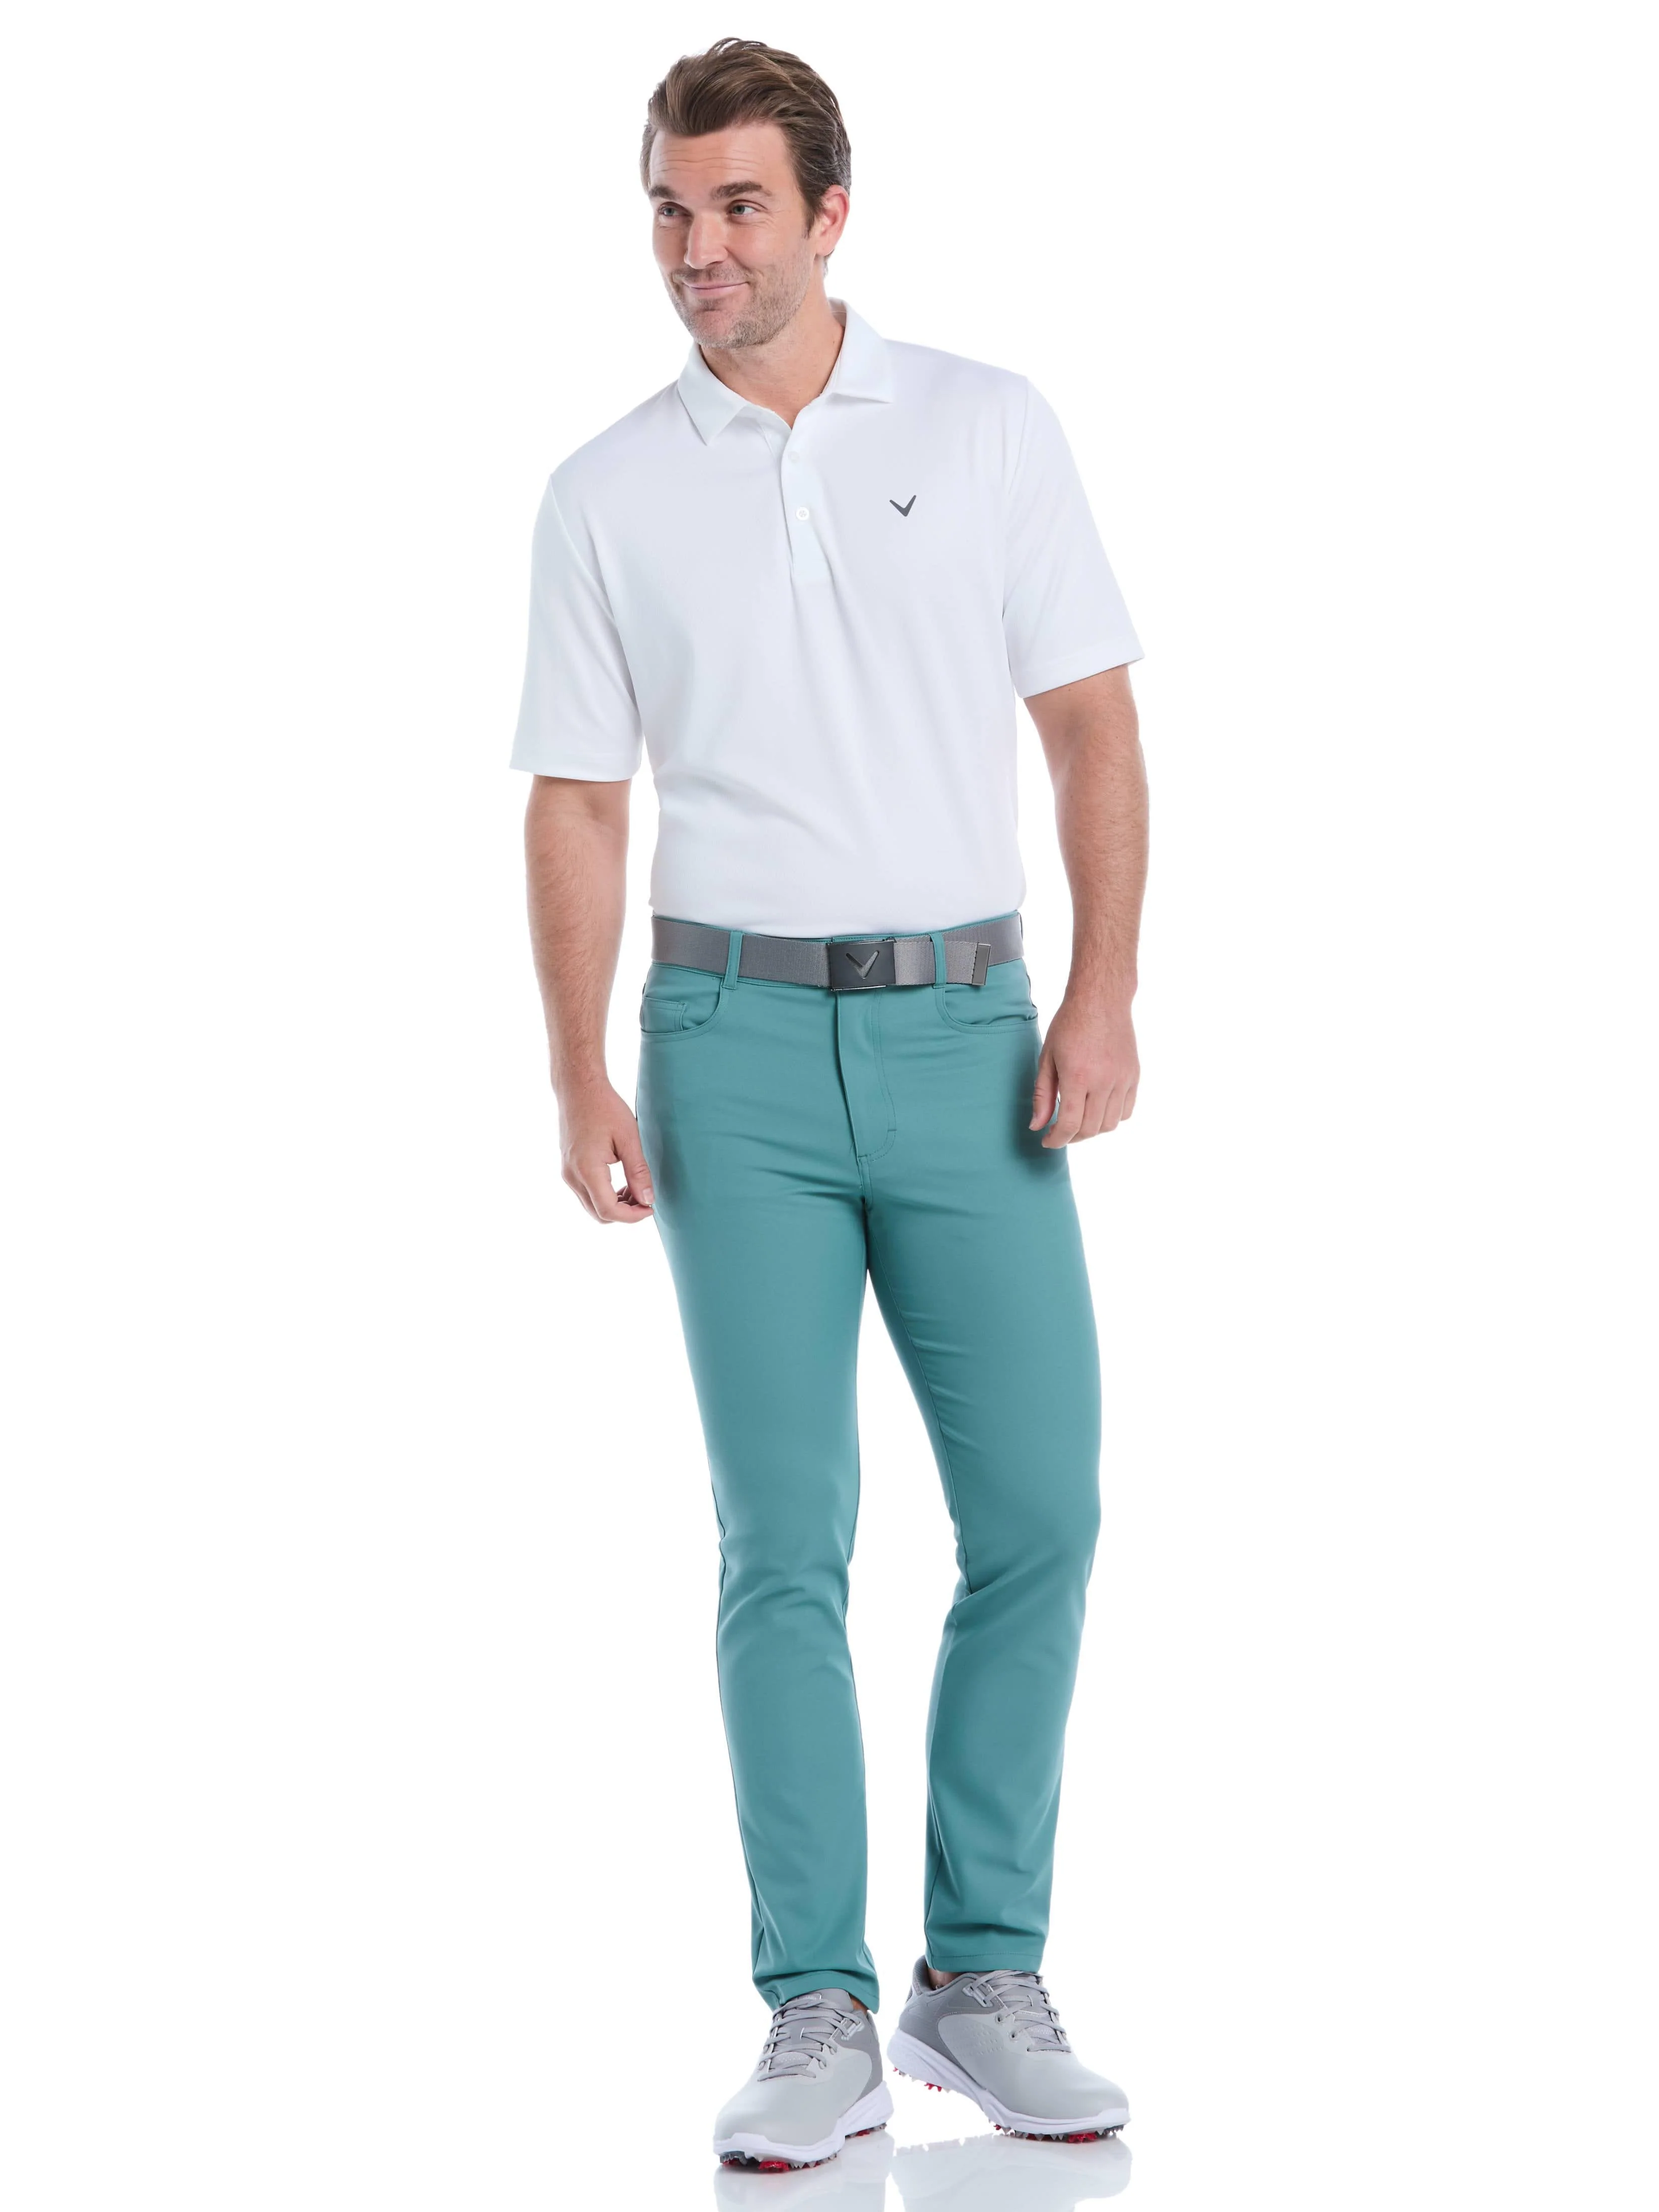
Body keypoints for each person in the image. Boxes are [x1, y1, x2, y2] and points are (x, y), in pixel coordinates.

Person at [511, 37, 1146, 2173]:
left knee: (1039, 1511)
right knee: (783, 1539)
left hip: (973, 1031)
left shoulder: (983, 425)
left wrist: (1104, 987)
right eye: (670, 210)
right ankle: (817, 2002)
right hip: (731, 1049)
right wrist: (578, 1064)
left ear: (829, 213)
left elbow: (1090, 725)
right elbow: (578, 799)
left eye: (738, 207)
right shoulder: (605, 489)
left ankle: (983, 1968)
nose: (698, 248)